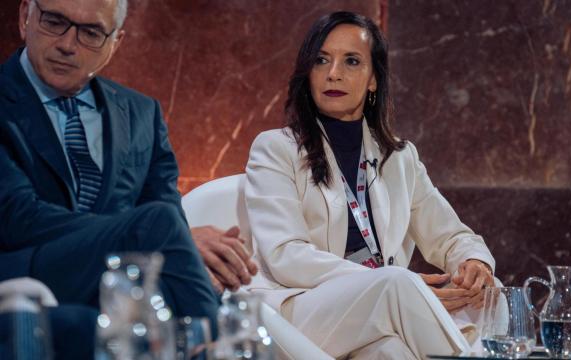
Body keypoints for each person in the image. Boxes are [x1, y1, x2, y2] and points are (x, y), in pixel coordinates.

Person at [0, 0, 256, 356]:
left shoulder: (141, 114)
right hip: (26, 270)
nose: (67, 44)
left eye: (90, 33)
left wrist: (165, 244)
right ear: (25, 16)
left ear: (114, 43)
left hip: (122, 283)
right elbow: (17, 216)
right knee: (159, 227)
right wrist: (137, 233)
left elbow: (166, 215)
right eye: (55, 21)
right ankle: (220, 350)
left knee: (167, 290)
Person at [244, 11, 497, 359]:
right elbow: (285, 256)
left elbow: (450, 235)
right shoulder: (275, 148)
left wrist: (473, 263)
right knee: (396, 283)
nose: (334, 73)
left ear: (373, 78)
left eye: (351, 61)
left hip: (379, 313)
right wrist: (387, 283)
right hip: (296, 313)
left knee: (485, 294)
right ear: (309, 72)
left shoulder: (400, 157)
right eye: (321, 60)